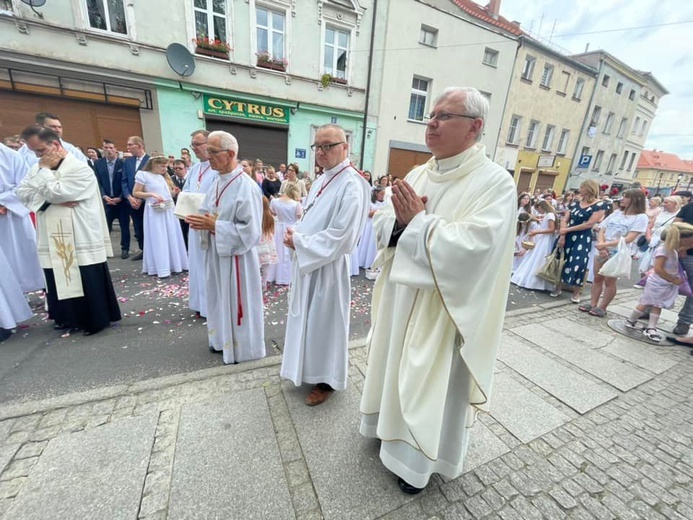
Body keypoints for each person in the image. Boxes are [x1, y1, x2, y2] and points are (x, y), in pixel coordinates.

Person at [359, 86, 516, 494]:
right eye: (432, 114)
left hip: (443, 307)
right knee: (392, 366)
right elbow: (382, 220)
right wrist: (398, 224)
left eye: (445, 116)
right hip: (401, 297)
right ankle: (383, 429)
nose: (431, 122)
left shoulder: (495, 183)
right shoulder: (418, 172)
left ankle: (416, 463)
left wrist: (418, 223)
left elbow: (477, 248)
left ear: (474, 127)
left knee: (429, 382)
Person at [280, 124, 370, 406]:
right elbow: (310, 216)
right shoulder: (321, 180)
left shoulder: (353, 184)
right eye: (317, 146)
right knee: (309, 320)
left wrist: (302, 243)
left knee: (325, 324)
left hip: (328, 268)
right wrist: (295, 232)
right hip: (310, 261)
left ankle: (327, 380)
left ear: (345, 147)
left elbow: (343, 237)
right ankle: (308, 369)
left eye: (328, 146)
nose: (321, 152)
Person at [17, 127, 121, 335]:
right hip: (51, 233)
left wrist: (48, 186)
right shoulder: (38, 168)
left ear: (55, 145)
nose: (37, 156)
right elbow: (23, 193)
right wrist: (50, 198)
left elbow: (59, 193)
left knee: (85, 276)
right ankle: (68, 318)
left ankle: (94, 320)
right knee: (58, 273)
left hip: (78, 233)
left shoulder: (80, 169)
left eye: (39, 150)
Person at [185, 131, 265, 364]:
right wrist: (200, 222)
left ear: (230, 154)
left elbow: (251, 232)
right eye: (206, 151)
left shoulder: (246, 186)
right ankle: (221, 340)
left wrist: (216, 225)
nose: (207, 156)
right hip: (217, 253)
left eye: (212, 152)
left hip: (237, 258)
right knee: (218, 299)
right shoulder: (217, 182)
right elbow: (208, 210)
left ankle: (243, 349)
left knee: (236, 303)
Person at [580, 189, 648, 317]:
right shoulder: (617, 213)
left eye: (626, 197)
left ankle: (603, 307)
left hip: (618, 251)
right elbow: (602, 229)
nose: (622, 199)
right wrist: (601, 246)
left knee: (609, 280)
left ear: (635, 200)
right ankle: (593, 303)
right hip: (603, 248)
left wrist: (605, 245)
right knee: (597, 277)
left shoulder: (641, 217)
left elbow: (629, 238)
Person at [627, 223, 693, 342]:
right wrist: (672, 279)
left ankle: (650, 326)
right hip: (658, 283)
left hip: (664, 284)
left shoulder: (672, 250)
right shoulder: (663, 250)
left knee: (657, 305)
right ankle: (632, 321)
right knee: (646, 303)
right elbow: (658, 268)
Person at [133, 156, 187, 279]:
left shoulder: (163, 176)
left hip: (167, 208)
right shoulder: (143, 175)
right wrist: (151, 194)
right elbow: (136, 192)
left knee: (171, 234)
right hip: (154, 209)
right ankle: (160, 266)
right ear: (154, 165)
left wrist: (174, 193)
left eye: (165, 167)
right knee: (159, 235)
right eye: (162, 166)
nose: (164, 169)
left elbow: (166, 194)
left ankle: (175, 263)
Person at [0, 143, 44, 293]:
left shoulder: (11, 156)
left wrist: (3, 202)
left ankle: (23, 290)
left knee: (17, 257)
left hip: (10, 216)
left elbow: (26, 185)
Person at [553, 180, 606, 302]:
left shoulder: (600, 205)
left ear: (589, 189)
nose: (580, 189)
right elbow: (565, 218)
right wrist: (563, 233)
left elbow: (589, 224)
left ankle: (576, 292)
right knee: (561, 259)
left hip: (582, 237)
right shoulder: (576, 203)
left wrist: (567, 230)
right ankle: (557, 287)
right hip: (567, 235)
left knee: (579, 262)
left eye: (582, 187)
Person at [184, 130, 218, 317]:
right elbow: (186, 192)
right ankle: (199, 302)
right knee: (196, 264)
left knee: (207, 266)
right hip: (193, 222)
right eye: (193, 145)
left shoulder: (216, 169)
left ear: (208, 143)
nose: (194, 149)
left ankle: (209, 306)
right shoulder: (195, 169)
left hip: (207, 223)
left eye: (197, 144)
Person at [94, 140, 130, 259]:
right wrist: (104, 196)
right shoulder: (98, 164)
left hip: (121, 201)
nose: (108, 150)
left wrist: (120, 197)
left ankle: (125, 248)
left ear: (115, 150)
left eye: (110, 147)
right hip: (107, 200)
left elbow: (125, 181)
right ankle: (105, 249)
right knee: (106, 226)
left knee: (124, 226)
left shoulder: (122, 163)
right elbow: (97, 182)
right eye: (105, 148)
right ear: (102, 150)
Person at [511, 200, 557, 291]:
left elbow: (552, 229)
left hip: (545, 239)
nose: (539, 211)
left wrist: (537, 232)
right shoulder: (548, 215)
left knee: (539, 258)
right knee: (535, 257)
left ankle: (534, 281)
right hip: (543, 238)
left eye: (538, 209)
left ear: (541, 207)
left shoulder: (550, 215)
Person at [18, 112, 88, 167]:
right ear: (38, 127)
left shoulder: (72, 150)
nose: (57, 130)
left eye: (59, 127)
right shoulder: (24, 151)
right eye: (53, 127)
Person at [121, 136, 150, 261]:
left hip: (146, 201)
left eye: (130, 145)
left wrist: (141, 198)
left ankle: (152, 250)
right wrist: (129, 197)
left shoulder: (150, 161)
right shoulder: (128, 162)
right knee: (138, 228)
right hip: (132, 201)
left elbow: (153, 183)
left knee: (148, 227)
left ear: (139, 145)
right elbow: (124, 181)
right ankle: (143, 250)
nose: (127, 147)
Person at [270, 182, 303, 285]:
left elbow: (273, 213)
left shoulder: (274, 202)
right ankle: (288, 276)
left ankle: (275, 275)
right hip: (291, 228)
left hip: (279, 228)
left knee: (278, 251)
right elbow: (300, 217)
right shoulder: (296, 204)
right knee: (289, 253)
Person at [638, 196, 680, 275]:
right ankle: (644, 280)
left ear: (675, 203)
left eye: (666, 202)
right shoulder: (661, 213)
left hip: (664, 242)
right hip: (652, 241)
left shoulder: (678, 216)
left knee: (657, 264)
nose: (664, 204)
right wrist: (648, 237)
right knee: (645, 263)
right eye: (664, 202)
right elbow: (650, 226)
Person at [357, 186, 387, 272]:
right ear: (376, 193)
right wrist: (379, 212)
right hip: (371, 226)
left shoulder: (385, 203)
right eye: (381, 194)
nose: (382, 196)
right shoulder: (370, 203)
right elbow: (368, 214)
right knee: (369, 243)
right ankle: (366, 260)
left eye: (383, 194)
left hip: (380, 225)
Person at [257, 196, 278, 291]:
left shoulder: (256, 217)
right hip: (268, 242)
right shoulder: (270, 217)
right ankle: (264, 283)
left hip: (258, 242)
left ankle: (256, 282)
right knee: (266, 265)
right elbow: (273, 231)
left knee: (257, 264)